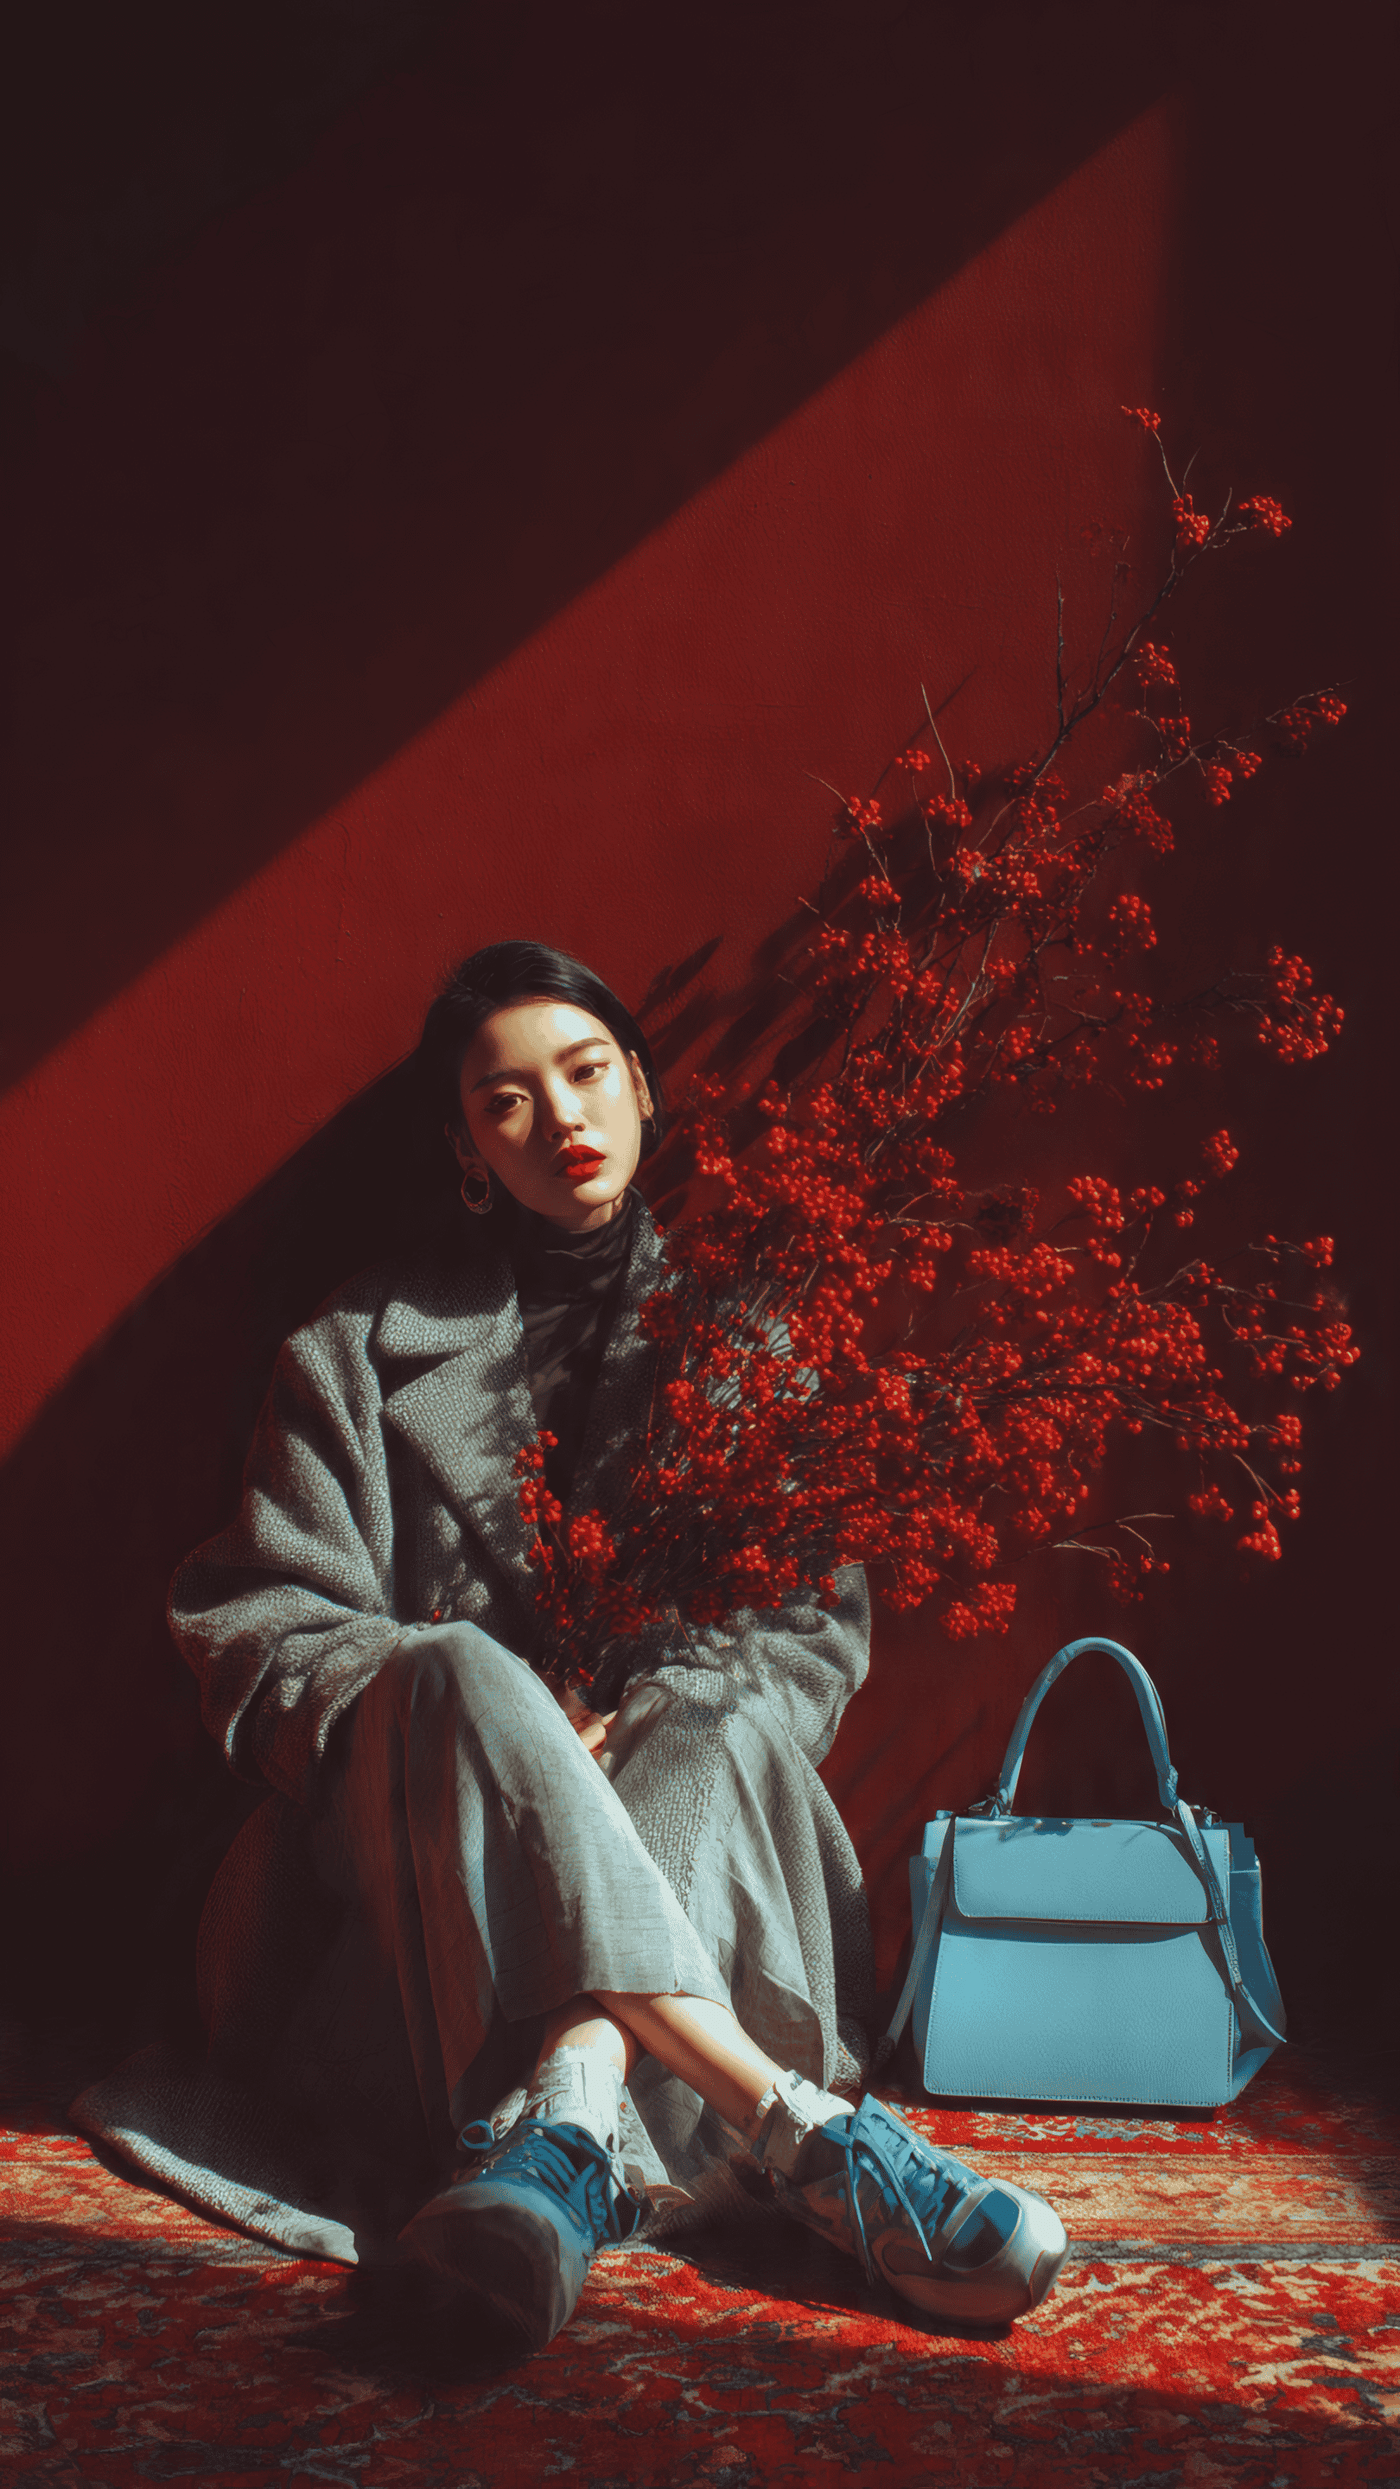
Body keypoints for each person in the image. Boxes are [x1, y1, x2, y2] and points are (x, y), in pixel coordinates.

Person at [76, 941, 1067, 2352]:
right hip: (421, 1897)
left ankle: (567, 2130)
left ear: (646, 1092)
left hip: (693, 1814)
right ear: (468, 1149)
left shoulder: (748, 1342)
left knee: (715, 1714)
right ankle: (794, 2125)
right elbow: (260, 1623)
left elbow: (810, 1633)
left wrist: (641, 1710)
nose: (563, 1119)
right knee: (461, 1670)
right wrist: (510, 1726)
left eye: (587, 1072)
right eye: (508, 1100)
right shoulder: (352, 1350)